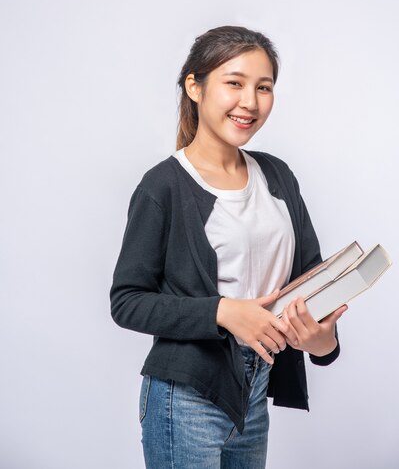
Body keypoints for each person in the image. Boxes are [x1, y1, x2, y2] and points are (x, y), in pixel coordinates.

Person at [109, 25, 347, 469]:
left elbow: (312, 276)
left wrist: (323, 339)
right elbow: (126, 302)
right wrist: (222, 311)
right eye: (234, 83)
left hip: (254, 390)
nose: (250, 103)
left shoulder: (277, 176)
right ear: (194, 87)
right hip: (186, 397)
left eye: (264, 87)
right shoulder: (163, 186)